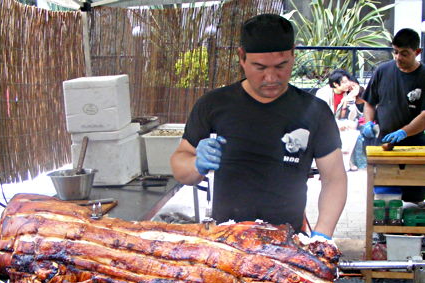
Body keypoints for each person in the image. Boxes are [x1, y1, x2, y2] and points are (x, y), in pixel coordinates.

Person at [170, 13, 347, 239]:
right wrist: (197, 164)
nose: (271, 77)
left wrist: (323, 233)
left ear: (293, 54)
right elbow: (180, 166)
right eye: (260, 67)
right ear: (242, 57)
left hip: (288, 239)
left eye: (281, 65)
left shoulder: (316, 111)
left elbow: (334, 178)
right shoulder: (213, 104)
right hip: (228, 239)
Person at [361, 28, 425, 202]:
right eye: (395, 52)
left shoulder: (423, 76)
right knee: (384, 194)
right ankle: (380, 227)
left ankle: (410, 229)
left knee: (414, 196)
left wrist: (404, 132)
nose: (398, 57)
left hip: (414, 146)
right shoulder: (382, 71)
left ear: (417, 52)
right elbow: (369, 102)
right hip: (384, 143)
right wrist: (368, 123)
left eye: (404, 53)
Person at [316, 70, 363, 171]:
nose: (348, 84)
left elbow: (351, 117)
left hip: (342, 123)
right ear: (335, 84)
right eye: (344, 82)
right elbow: (321, 116)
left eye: (348, 81)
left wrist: (349, 99)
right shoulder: (323, 93)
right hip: (324, 123)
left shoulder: (348, 94)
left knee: (351, 130)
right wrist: (336, 124)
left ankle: (347, 161)